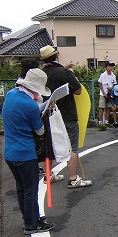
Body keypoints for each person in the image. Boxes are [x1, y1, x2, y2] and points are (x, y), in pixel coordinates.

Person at [2, 68, 55, 234]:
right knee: (31, 189)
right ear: (35, 89)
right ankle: (32, 225)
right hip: (25, 153)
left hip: (10, 152)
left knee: (22, 189)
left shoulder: (11, 95)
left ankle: (29, 218)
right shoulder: (30, 105)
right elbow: (40, 131)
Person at [40, 45, 92, 188]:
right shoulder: (63, 72)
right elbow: (78, 91)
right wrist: (70, 74)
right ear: (56, 56)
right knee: (72, 148)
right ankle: (73, 178)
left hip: (48, 115)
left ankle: (48, 175)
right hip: (66, 115)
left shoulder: (41, 74)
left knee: (49, 147)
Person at [97, 61, 116, 127]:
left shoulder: (113, 75)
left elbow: (114, 84)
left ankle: (106, 121)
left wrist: (112, 88)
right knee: (101, 107)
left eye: (112, 66)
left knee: (108, 107)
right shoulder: (103, 75)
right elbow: (100, 84)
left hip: (110, 94)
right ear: (106, 67)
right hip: (103, 93)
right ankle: (100, 122)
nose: (111, 68)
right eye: (109, 66)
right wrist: (104, 92)